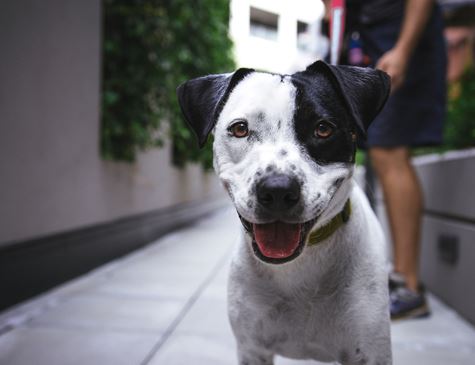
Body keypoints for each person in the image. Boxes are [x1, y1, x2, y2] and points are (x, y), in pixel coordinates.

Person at [323, 0, 447, 320]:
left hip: (401, 36)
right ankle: (385, 277)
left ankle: (409, 287)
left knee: (389, 150)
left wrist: (404, 49)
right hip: (362, 36)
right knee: (363, 149)